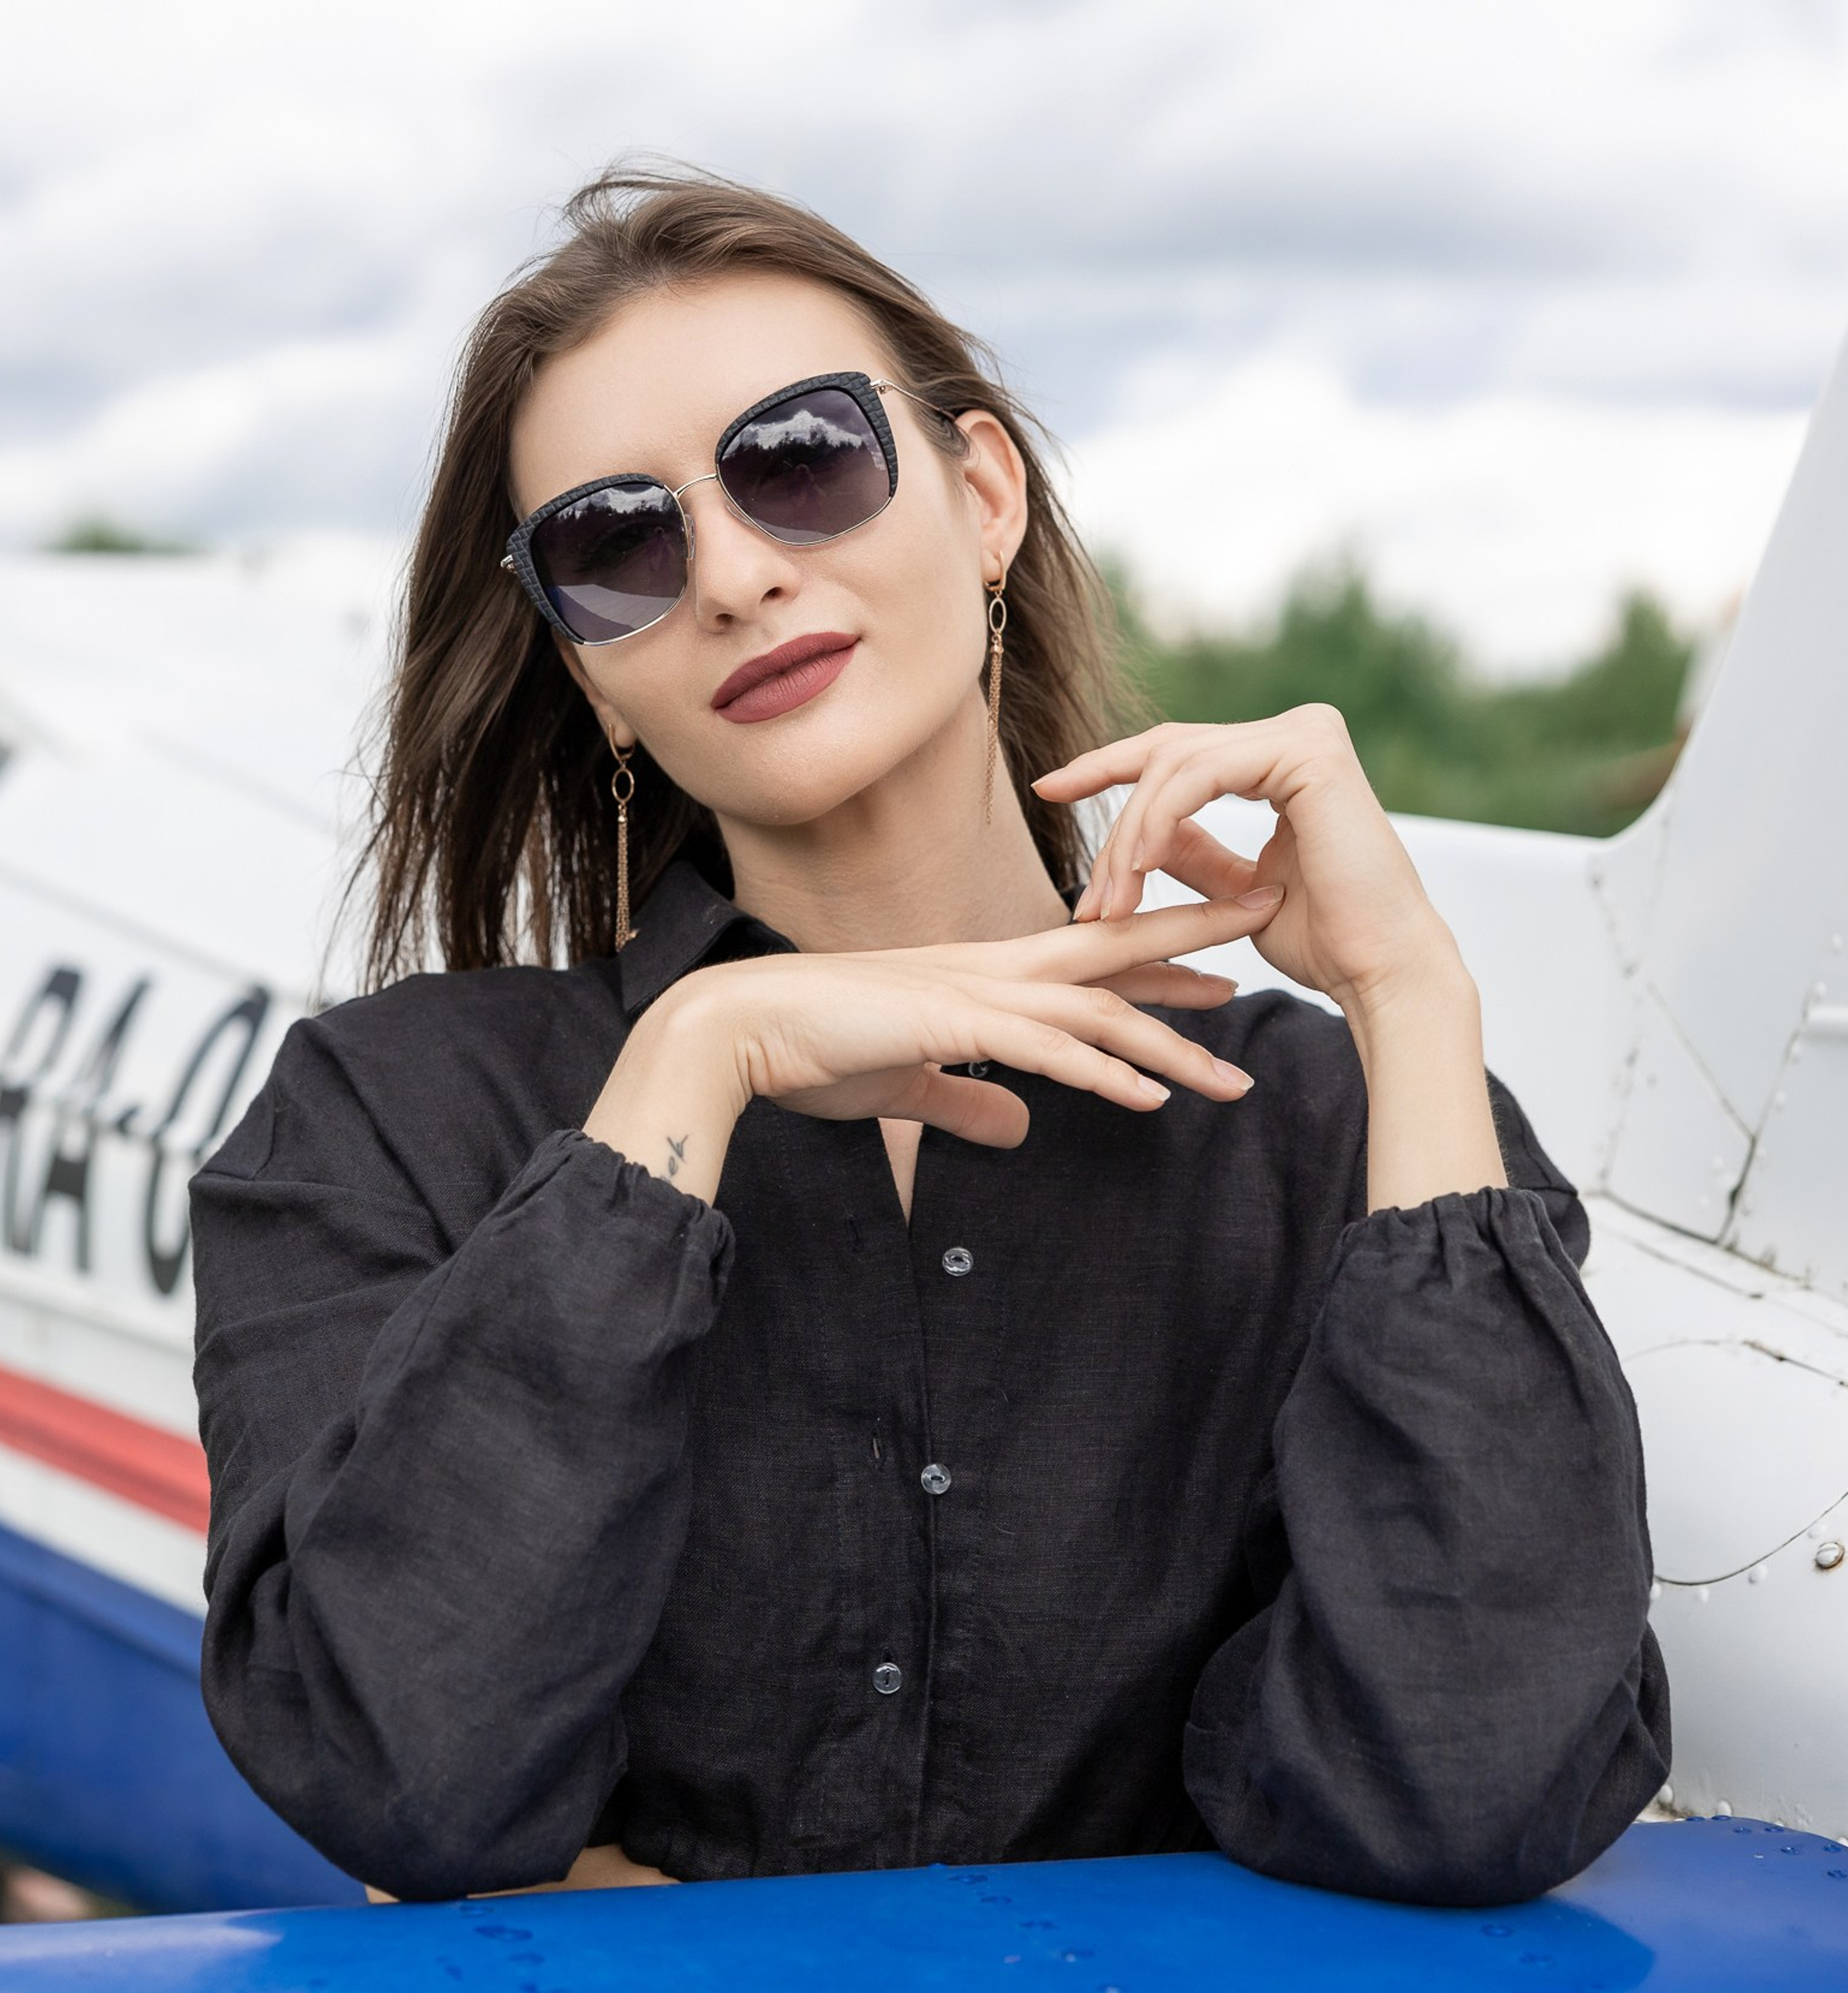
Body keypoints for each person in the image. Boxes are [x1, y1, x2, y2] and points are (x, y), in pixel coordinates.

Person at [189, 164, 1670, 1912]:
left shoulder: (1323, 1136)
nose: (733, 573)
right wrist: (692, 1063)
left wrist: (1412, 993)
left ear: (981, 497)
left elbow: (1462, 1784)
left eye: (798, 458)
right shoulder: (385, 1116)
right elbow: (400, 1775)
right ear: (587, 666)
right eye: (615, 544)